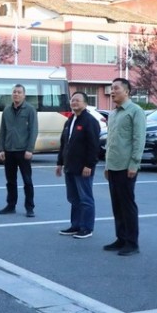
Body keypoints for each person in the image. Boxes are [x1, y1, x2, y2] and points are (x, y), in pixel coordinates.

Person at [102, 78, 144, 256]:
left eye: (116, 89)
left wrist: (134, 163)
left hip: (127, 166)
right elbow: (111, 142)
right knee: (117, 204)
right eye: (111, 88)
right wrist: (106, 165)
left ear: (127, 91)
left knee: (127, 205)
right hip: (113, 165)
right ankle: (121, 237)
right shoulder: (114, 113)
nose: (112, 92)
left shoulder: (136, 111)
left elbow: (138, 139)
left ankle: (132, 242)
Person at [55, 92, 100, 239]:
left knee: (85, 198)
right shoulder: (69, 120)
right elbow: (64, 143)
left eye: (78, 100)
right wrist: (59, 163)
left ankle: (87, 228)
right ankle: (75, 225)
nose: (74, 103)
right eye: (72, 100)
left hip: (83, 168)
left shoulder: (89, 121)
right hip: (70, 166)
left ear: (85, 104)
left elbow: (94, 146)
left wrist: (89, 165)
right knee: (73, 198)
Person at [0, 84, 38, 218]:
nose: (16, 94)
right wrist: (1, 148)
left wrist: (30, 149)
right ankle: (11, 205)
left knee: (27, 181)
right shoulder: (7, 110)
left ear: (24, 95)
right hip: (9, 151)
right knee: (10, 181)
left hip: (23, 151)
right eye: (14, 92)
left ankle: (29, 207)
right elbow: (3, 131)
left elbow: (33, 131)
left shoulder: (30, 110)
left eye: (19, 92)